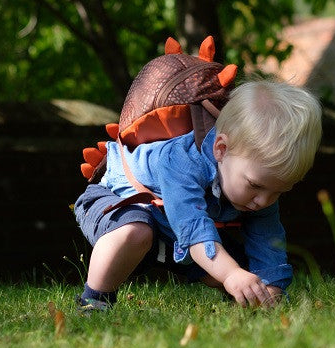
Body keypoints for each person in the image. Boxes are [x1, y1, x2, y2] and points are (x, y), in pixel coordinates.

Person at [73, 78, 322, 311]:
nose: (265, 201)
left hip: (174, 231)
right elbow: (193, 229)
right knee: (135, 230)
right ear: (221, 149)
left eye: (279, 191)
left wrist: (271, 288)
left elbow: (268, 239)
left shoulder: (257, 183)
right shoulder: (180, 161)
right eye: (255, 186)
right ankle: (95, 300)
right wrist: (231, 274)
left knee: (247, 274)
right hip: (120, 204)